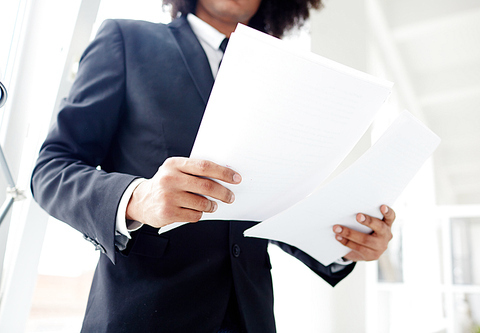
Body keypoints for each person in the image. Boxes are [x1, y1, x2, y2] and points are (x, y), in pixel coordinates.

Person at [31, 0, 396, 332]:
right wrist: (137, 198)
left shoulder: (283, 76)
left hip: (250, 317)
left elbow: (274, 200)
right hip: (145, 313)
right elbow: (51, 168)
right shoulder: (127, 39)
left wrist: (343, 243)